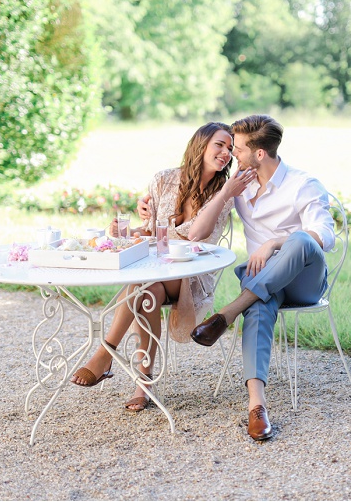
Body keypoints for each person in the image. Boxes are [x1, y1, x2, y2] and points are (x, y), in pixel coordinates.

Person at [69, 122, 252, 413]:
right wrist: (124, 231)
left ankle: (105, 354)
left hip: (191, 274)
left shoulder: (225, 194)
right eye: (220, 144)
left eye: (230, 148)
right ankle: (144, 382)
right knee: (146, 291)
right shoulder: (164, 179)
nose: (226, 153)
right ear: (200, 144)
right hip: (156, 269)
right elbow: (151, 232)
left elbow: (196, 235)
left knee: (140, 286)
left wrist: (226, 192)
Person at [189, 114, 335, 441]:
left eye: (237, 149)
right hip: (264, 285)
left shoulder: (303, 184)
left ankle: (227, 313)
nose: (232, 155)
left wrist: (273, 242)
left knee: (300, 239)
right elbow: (195, 208)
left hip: (303, 281)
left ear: (259, 154)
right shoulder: (241, 184)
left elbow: (325, 235)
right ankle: (257, 406)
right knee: (258, 303)